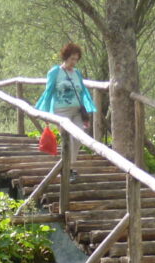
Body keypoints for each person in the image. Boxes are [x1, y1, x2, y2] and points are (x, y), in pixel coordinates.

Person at [35, 43, 96, 176]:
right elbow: (49, 92)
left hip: (77, 111)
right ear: (65, 57)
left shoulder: (77, 73)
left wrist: (86, 113)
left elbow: (82, 93)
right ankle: (69, 169)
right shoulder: (55, 72)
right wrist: (45, 113)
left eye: (76, 59)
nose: (74, 62)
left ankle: (68, 167)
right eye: (72, 59)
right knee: (68, 139)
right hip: (61, 111)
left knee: (79, 136)